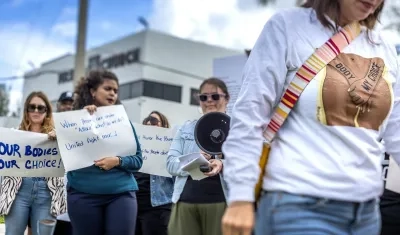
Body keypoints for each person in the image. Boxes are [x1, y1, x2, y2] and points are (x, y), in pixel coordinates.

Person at [221, 0, 399, 235]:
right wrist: (240, 197)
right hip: (297, 206)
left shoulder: (383, 47)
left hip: (366, 214)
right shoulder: (288, 27)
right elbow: (250, 115)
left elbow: (396, 129)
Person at [66, 69, 143, 235]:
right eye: (108, 89)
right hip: (82, 195)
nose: (113, 94)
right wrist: (83, 119)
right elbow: (65, 154)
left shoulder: (124, 123)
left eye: (115, 91)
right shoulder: (74, 120)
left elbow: (138, 160)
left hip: (121, 195)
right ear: (93, 91)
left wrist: (118, 161)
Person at [167, 77, 229, 235]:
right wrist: (194, 159)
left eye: (215, 96)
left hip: (223, 203)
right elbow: (170, 164)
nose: (209, 101)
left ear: (226, 98)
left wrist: (222, 163)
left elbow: (247, 162)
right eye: (203, 97)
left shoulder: (238, 128)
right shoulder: (185, 129)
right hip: (185, 202)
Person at [0, 91, 66, 235]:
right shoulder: (13, 134)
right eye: (32, 107)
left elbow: (71, 156)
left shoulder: (59, 134)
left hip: (46, 192)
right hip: (18, 191)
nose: (36, 111)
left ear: (47, 111)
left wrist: (61, 137)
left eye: (40, 108)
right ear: (26, 110)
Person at [134, 111, 174, 235]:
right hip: (134, 204)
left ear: (164, 126)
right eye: (147, 121)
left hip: (158, 206)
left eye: (154, 121)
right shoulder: (135, 146)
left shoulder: (172, 147)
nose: (150, 123)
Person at [54, 91, 74, 235]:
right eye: (65, 103)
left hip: (70, 188)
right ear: (58, 105)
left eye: (71, 104)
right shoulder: (48, 123)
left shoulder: (79, 127)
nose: (68, 107)